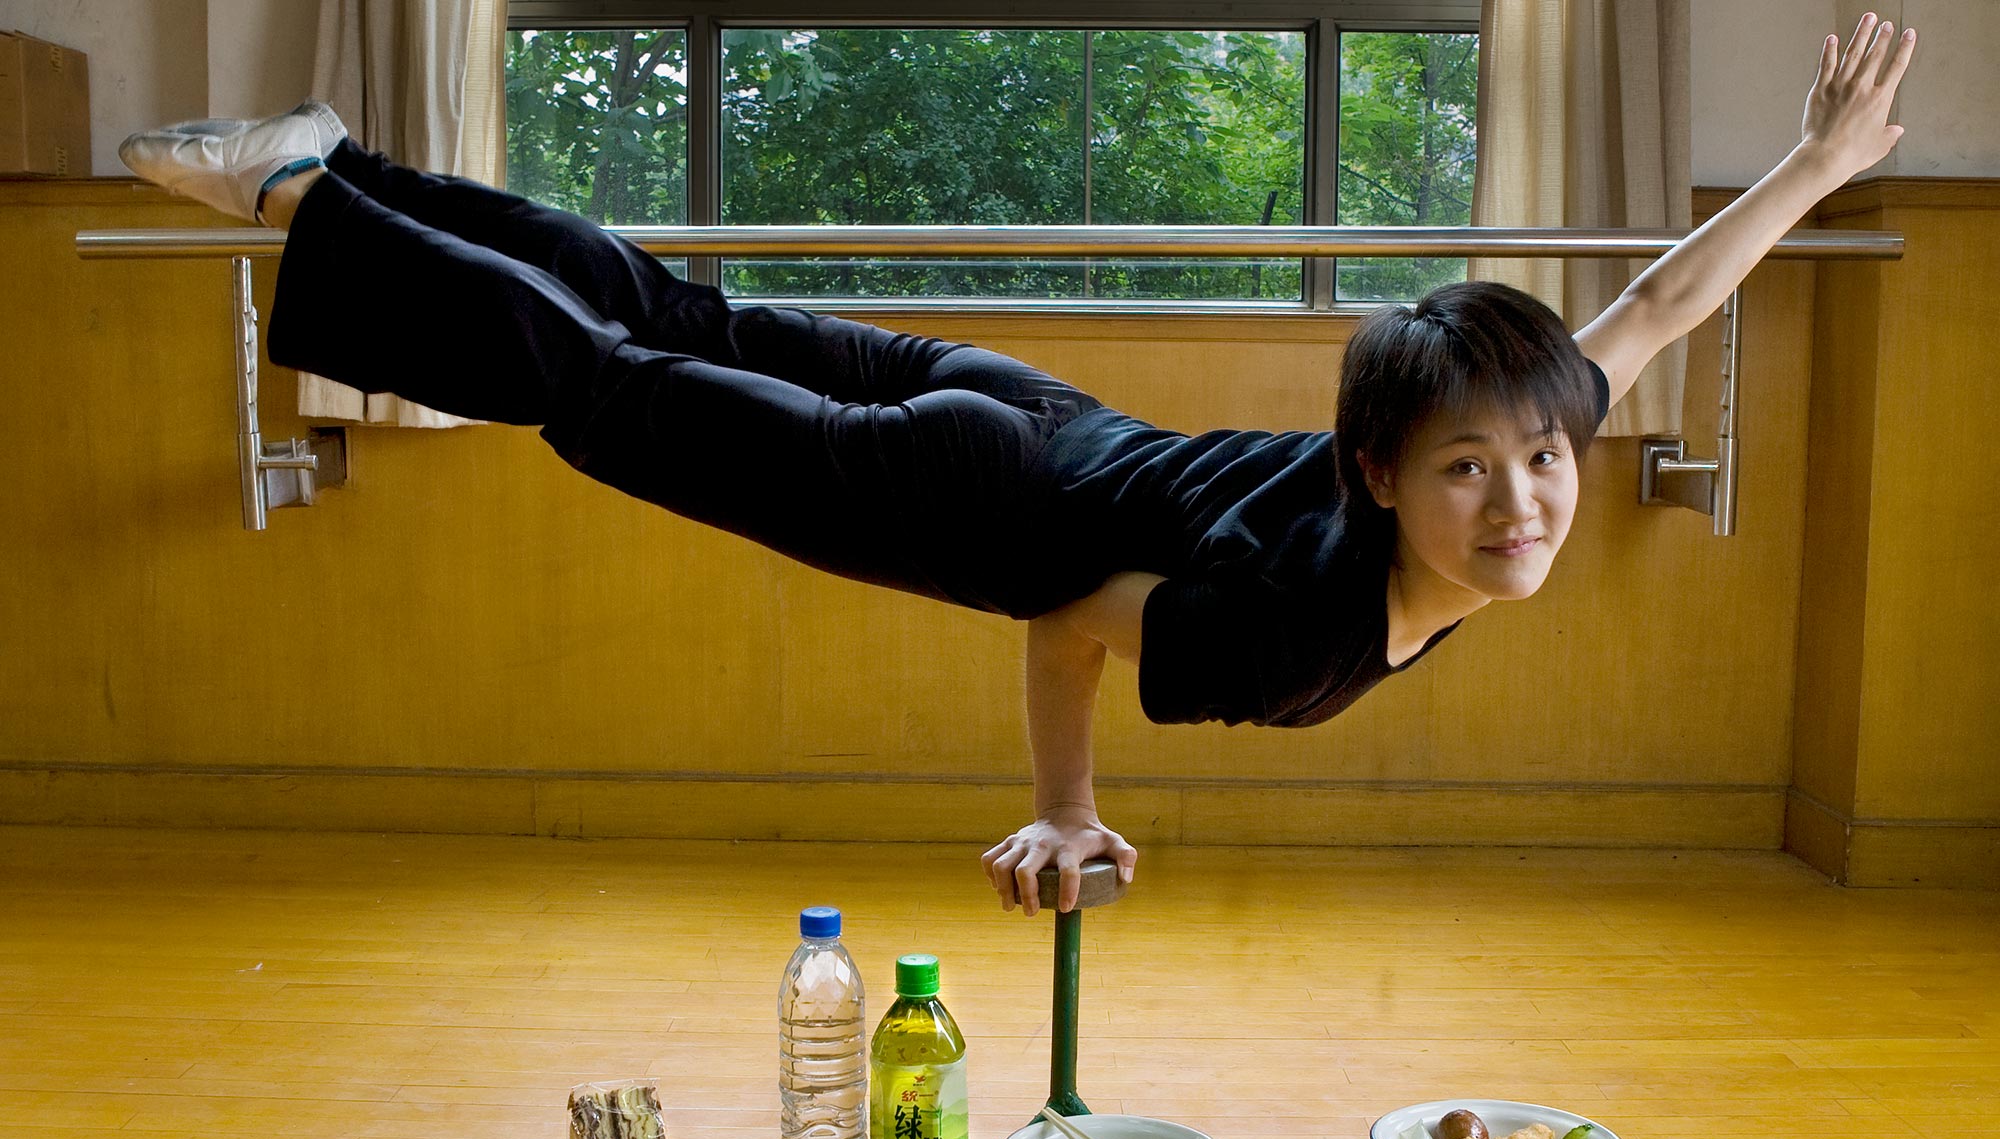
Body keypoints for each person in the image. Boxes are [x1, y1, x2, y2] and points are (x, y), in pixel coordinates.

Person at [118, 16, 1915, 918]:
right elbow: (1067, 614)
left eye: (1540, 462)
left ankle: (340, 165)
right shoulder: (1299, 640)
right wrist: (1063, 805)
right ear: (1380, 471)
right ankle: (307, 202)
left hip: (1023, 407)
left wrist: (1820, 169)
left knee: (669, 312)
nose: (1521, 499)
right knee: (604, 385)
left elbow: (1668, 299)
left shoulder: (1491, 419)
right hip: (968, 489)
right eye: (1471, 473)